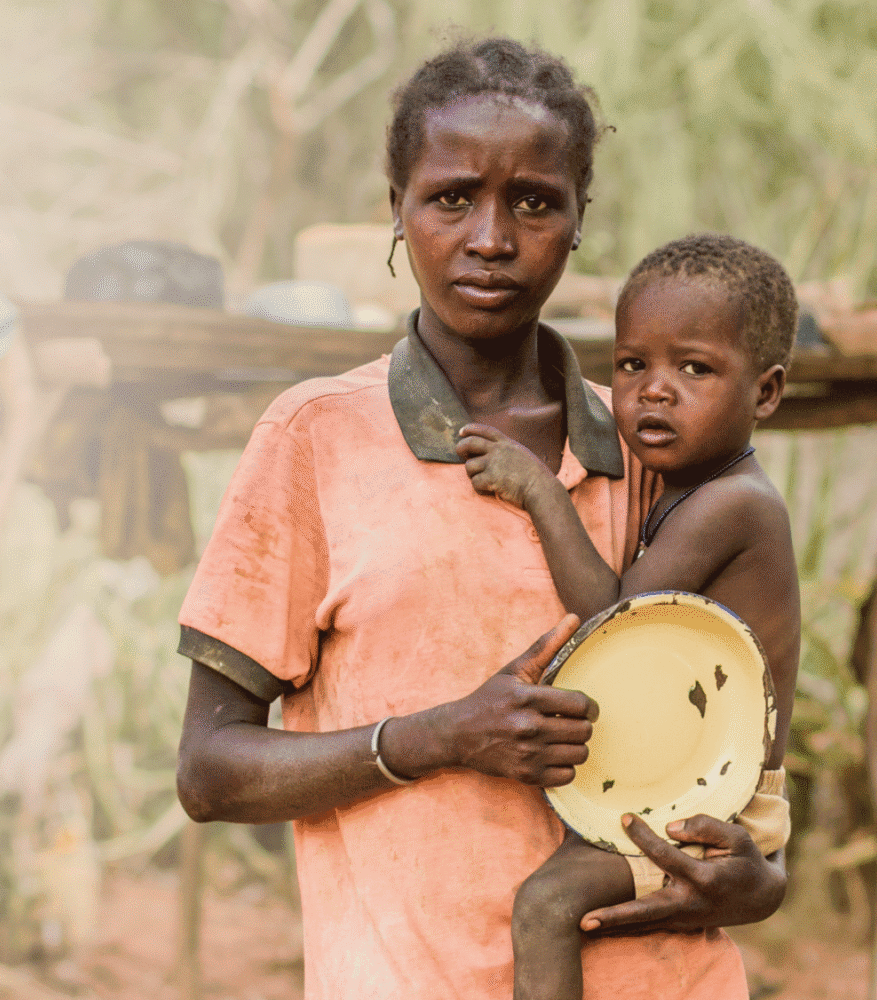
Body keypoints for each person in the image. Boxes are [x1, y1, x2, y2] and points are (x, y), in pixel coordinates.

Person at [175, 39, 788, 1000]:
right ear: (397, 207)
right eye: (452, 196)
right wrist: (441, 737)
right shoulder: (315, 439)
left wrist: (759, 879)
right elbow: (209, 773)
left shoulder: (655, 445)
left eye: (535, 203)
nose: (491, 239)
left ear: (581, 221)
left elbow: (737, 724)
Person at [456, 233, 799, 1000]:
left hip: (720, 805)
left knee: (546, 903)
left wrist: (539, 490)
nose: (653, 389)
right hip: (695, 785)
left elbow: (609, 616)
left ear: (766, 393)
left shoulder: (733, 505)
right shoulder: (687, 488)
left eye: (695, 369)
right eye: (632, 364)